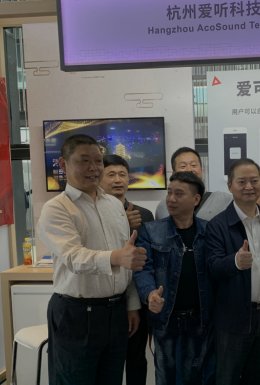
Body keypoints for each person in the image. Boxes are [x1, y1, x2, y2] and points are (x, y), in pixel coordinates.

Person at [37, 134, 146, 385]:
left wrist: (131, 304)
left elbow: (127, 257)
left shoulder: (114, 206)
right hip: (76, 313)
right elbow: (74, 257)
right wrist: (117, 257)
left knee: (112, 379)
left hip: (116, 312)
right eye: (84, 160)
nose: (93, 167)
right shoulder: (56, 208)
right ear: (63, 164)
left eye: (98, 161)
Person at [133, 171, 212, 385]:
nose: (171, 199)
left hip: (199, 317)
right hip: (165, 318)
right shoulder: (151, 230)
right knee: (165, 375)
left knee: (194, 374)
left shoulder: (209, 230)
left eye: (179, 194)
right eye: (169, 193)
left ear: (196, 199)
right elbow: (142, 268)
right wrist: (149, 294)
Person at [206, 159, 260, 385]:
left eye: (254, 181)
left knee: (258, 377)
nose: (249, 187)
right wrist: (235, 261)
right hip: (233, 316)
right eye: (242, 181)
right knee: (228, 377)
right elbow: (213, 267)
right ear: (230, 186)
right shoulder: (217, 225)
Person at [101, 154, 155, 385]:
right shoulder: (95, 214)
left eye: (122, 174)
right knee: (107, 361)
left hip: (137, 297)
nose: (117, 180)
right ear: (100, 178)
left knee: (136, 357)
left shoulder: (144, 215)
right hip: (104, 299)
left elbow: (146, 260)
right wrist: (122, 224)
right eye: (111, 174)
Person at [155, 147, 260, 221]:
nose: (189, 169)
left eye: (193, 165)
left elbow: (259, 206)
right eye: (183, 166)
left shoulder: (222, 199)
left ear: (201, 171)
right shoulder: (163, 207)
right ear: (173, 173)